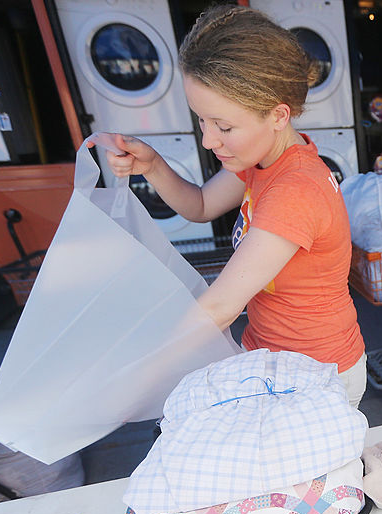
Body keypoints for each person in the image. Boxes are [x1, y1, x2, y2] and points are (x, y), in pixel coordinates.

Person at [97, 5, 366, 407]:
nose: (208, 140)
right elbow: (202, 204)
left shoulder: (295, 189)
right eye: (202, 121)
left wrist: (131, 376)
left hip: (314, 378)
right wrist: (152, 166)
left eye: (224, 126)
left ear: (278, 114)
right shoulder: (261, 162)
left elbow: (220, 306)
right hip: (269, 359)